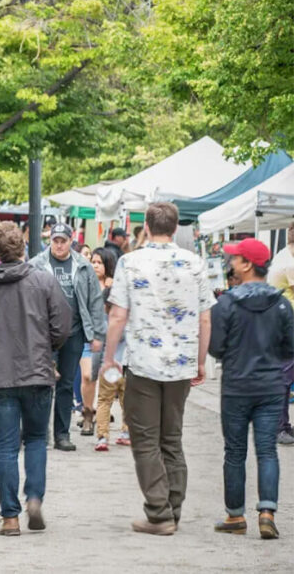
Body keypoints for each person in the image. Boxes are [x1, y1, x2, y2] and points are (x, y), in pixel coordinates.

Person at [101, 202, 215, 536]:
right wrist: (199, 360)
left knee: (145, 440)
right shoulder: (195, 263)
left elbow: (118, 315)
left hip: (144, 363)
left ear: (146, 227)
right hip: (181, 364)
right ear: (176, 226)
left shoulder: (130, 262)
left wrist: (109, 357)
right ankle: (173, 510)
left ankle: (158, 512)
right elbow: (206, 315)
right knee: (172, 440)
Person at [0, 221, 71, 536]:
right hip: (37, 370)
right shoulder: (44, 281)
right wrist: (49, 346)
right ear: (23, 246)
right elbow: (62, 326)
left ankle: (9, 516)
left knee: (6, 446)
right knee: (37, 439)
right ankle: (34, 497)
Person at [209, 238, 293, 539]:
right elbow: (290, 347)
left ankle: (235, 515)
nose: (230, 263)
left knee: (234, 452)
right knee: (267, 451)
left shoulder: (227, 303)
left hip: (236, 386)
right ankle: (267, 512)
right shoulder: (282, 303)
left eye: (234, 259)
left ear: (246, 265)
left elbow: (216, 347)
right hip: (271, 386)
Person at [29, 223, 106, 451]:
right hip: (46, 334)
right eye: (56, 240)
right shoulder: (36, 265)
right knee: (42, 384)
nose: (59, 245)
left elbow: (94, 301)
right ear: (50, 241)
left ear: (71, 241)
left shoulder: (83, 266)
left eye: (63, 240)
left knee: (65, 385)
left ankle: (62, 434)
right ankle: (38, 434)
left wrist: (97, 334)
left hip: (74, 332)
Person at [90, 248, 128, 451]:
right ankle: (125, 431)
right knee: (126, 400)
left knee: (104, 400)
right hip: (125, 363)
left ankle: (102, 437)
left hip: (108, 363)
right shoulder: (125, 318)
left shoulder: (104, 321)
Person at [266, 223, 294, 446]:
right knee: (284, 379)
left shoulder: (283, 255)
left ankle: (282, 425)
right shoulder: (290, 262)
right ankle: (278, 427)